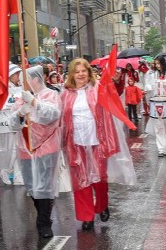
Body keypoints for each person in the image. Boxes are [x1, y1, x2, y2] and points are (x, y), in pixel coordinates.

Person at [61, 58, 122, 231]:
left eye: (83, 71)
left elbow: (114, 97)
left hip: (97, 141)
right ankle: (86, 215)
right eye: (77, 71)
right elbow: (59, 118)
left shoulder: (98, 89)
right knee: (80, 180)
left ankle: (102, 205)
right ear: (72, 74)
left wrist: (116, 81)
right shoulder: (65, 93)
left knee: (99, 177)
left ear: (89, 72)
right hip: (75, 143)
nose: (80, 74)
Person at [9, 65, 62, 238]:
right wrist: (19, 113)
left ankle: (44, 222)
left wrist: (33, 102)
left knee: (45, 185)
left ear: (36, 79)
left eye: (26, 80)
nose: (23, 83)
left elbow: (52, 114)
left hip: (46, 147)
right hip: (26, 148)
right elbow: (12, 125)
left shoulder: (51, 95)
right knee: (32, 187)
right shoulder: (20, 98)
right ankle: (42, 215)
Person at [145, 55, 166, 157]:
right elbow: (148, 88)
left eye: (159, 63)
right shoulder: (152, 75)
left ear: (163, 63)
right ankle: (161, 149)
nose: (157, 66)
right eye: (156, 64)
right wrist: (148, 89)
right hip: (156, 103)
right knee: (158, 128)